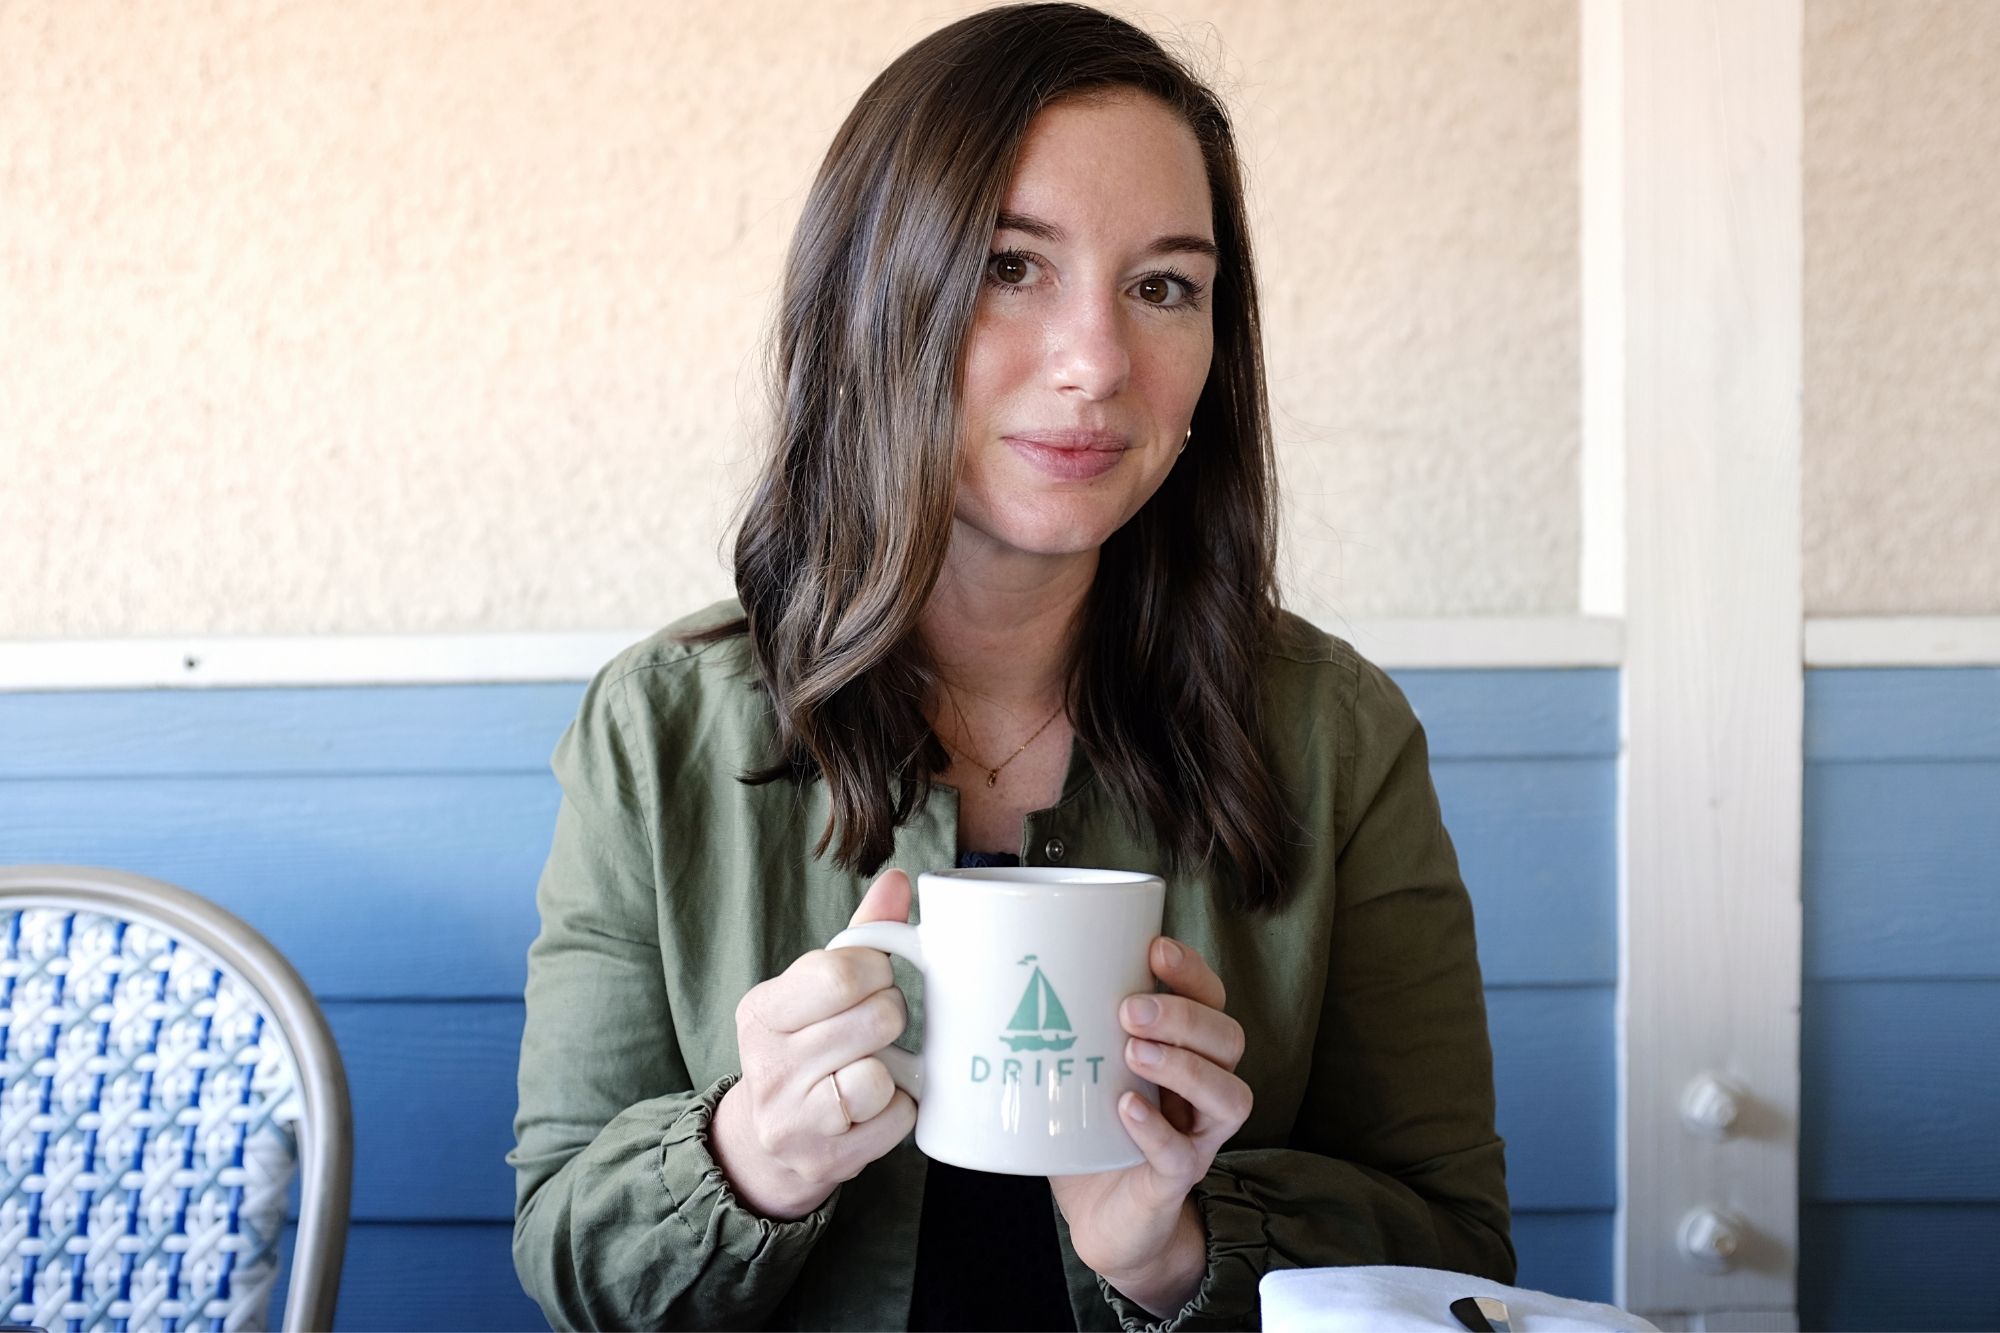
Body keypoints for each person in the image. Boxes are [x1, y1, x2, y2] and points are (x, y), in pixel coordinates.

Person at [508, 4, 1513, 1329]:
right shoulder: (661, 730)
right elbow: (565, 1254)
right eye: (1010, 266)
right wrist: (757, 1154)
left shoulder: (1335, 733)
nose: (1098, 362)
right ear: (875, 303)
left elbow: (1456, 1248)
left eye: (1165, 286)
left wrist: (1176, 1242)